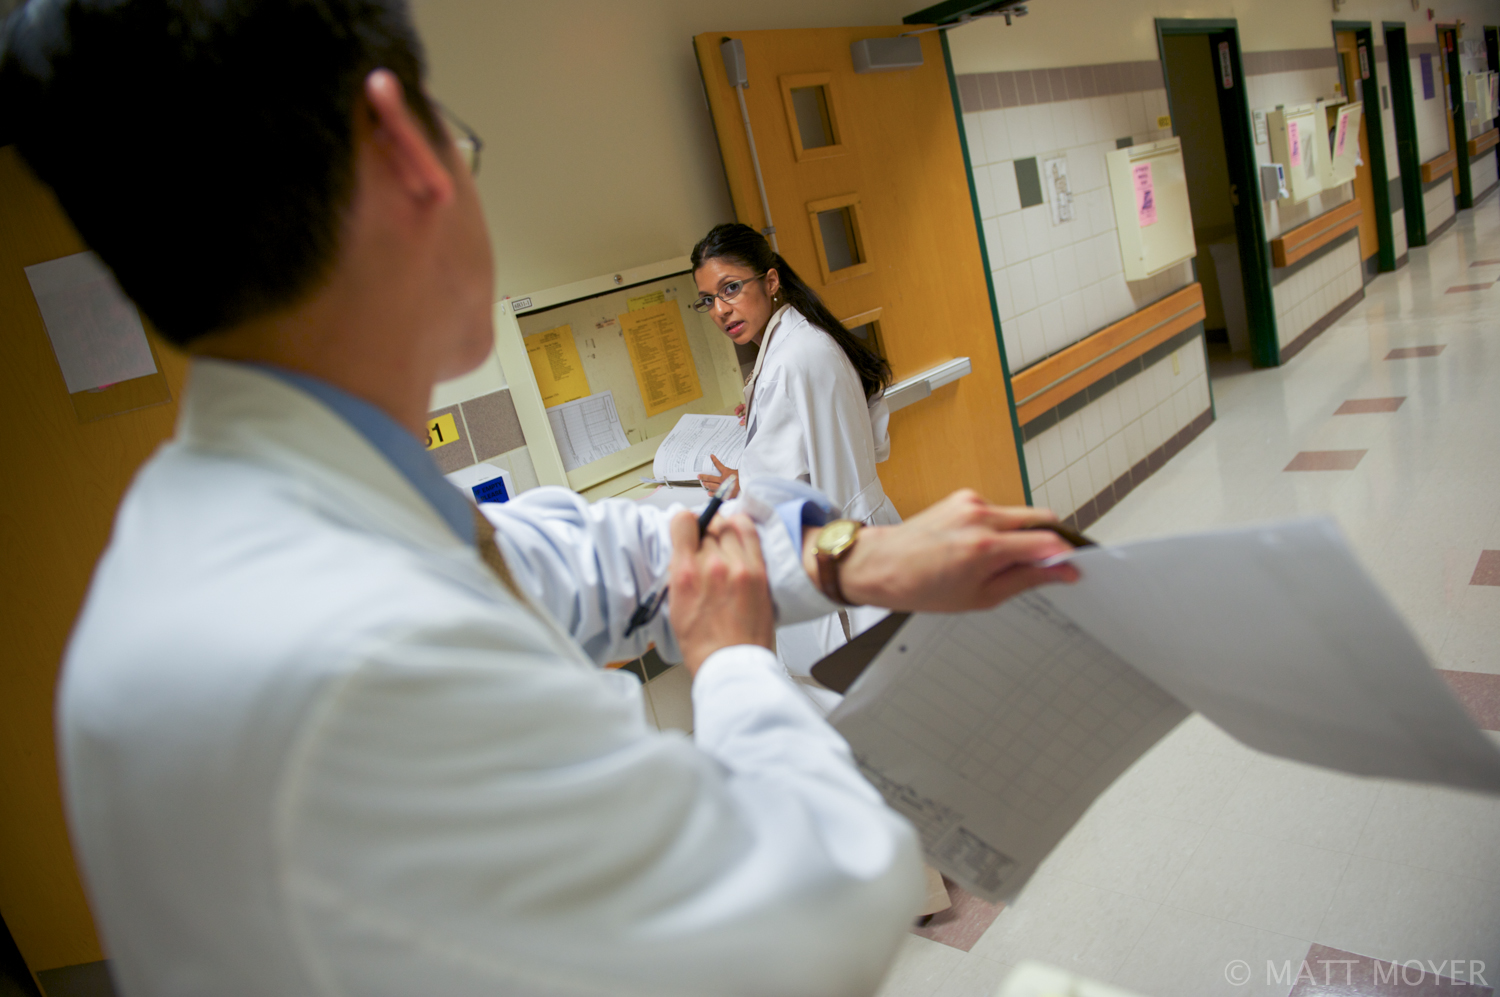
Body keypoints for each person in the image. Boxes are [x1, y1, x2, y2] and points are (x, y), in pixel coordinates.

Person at [0, 2, 1077, 995]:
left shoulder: (280, 501)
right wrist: (737, 667)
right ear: (404, 149)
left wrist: (849, 553)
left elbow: (591, 551)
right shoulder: (342, 648)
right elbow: (812, 911)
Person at [690, 225, 897, 693]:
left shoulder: (785, 362)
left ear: (770, 280)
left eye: (730, 288)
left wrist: (739, 484)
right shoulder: (809, 339)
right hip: (870, 535)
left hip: (835, 560)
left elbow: (774, 492)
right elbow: (872, 437)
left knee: (855, 712)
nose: (721, 310)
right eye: (708, 300)